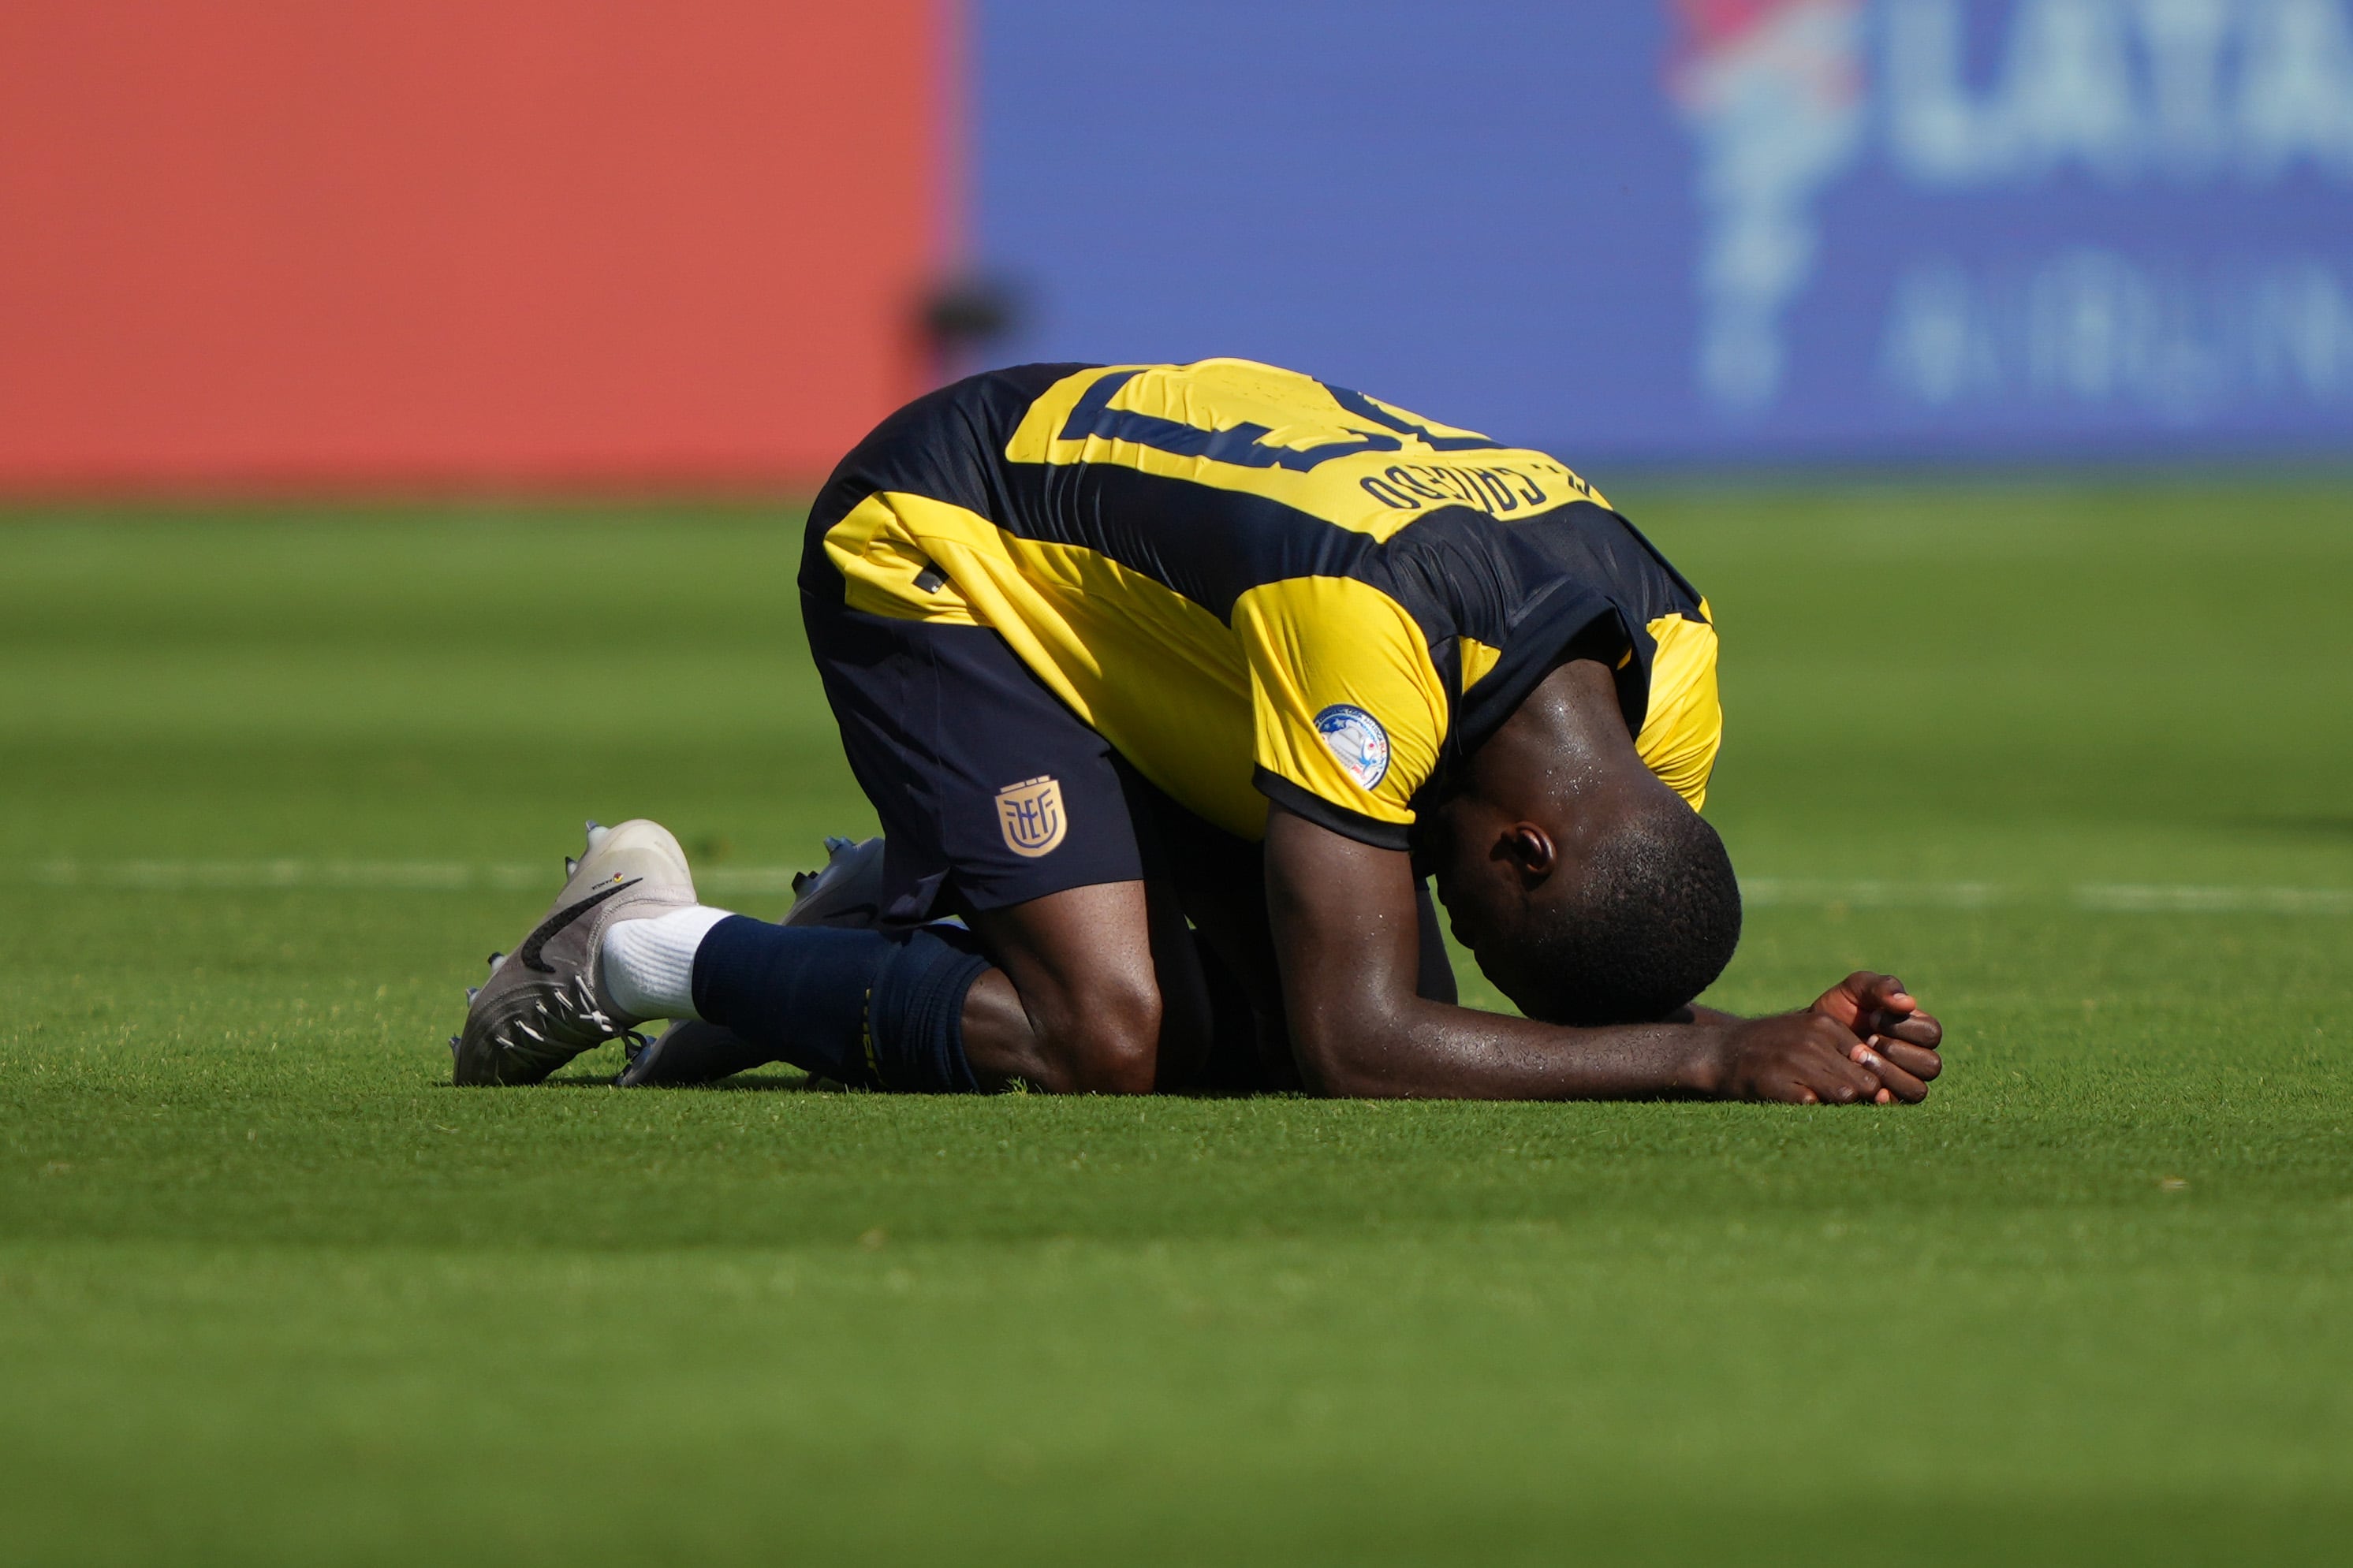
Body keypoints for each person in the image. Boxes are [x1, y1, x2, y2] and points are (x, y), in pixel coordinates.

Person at [449, 359, 1943, 1103]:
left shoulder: (1668, 670)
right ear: (1528, 843)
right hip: (949, 540)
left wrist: (1777, 1039)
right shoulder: (1377, 632)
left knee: (1252, 1043)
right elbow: (1364, 1040)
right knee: (1108, 1033)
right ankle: (639, 945)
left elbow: (1522, 989)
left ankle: (924, 885)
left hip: (1190, 637)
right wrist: (1703, 1060)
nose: (1464, 936)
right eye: (1491, 922)